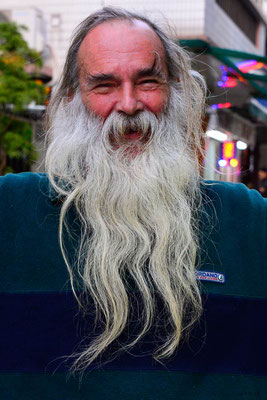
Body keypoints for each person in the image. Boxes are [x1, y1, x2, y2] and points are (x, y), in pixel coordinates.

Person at [0, 7, 266, 400]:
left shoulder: (248, 221)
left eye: (147, 81)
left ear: (175, 89)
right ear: (72, 98)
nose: (128, 104)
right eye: (104, 85)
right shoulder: (11, 211)